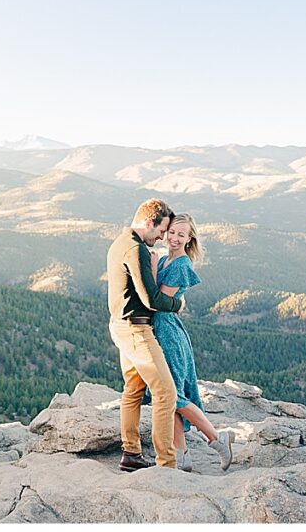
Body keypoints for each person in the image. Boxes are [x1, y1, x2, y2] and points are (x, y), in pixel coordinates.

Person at [146, 213, 234, 472]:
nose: (173, 238)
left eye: (180, 235)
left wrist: (151, 269)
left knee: (172, 395)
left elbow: (157, 301)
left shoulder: (181, 265)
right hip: (161, 331)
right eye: (172, 232)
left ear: (189, 238)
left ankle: (218, 440)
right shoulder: (165, 260)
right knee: (168, 396)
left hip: (168, 334)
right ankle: (181, 455)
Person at [106, 198, 183, 471]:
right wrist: (178, 304)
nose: (162, 237)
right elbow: (151, 299)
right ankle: (167, 464)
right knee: (166, 392)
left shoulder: (120, 242)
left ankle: (131, 455)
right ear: (149, 223)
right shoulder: (135, 249)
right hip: (136, 329)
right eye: (161, 231)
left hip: (120, 325)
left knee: (133, 390)